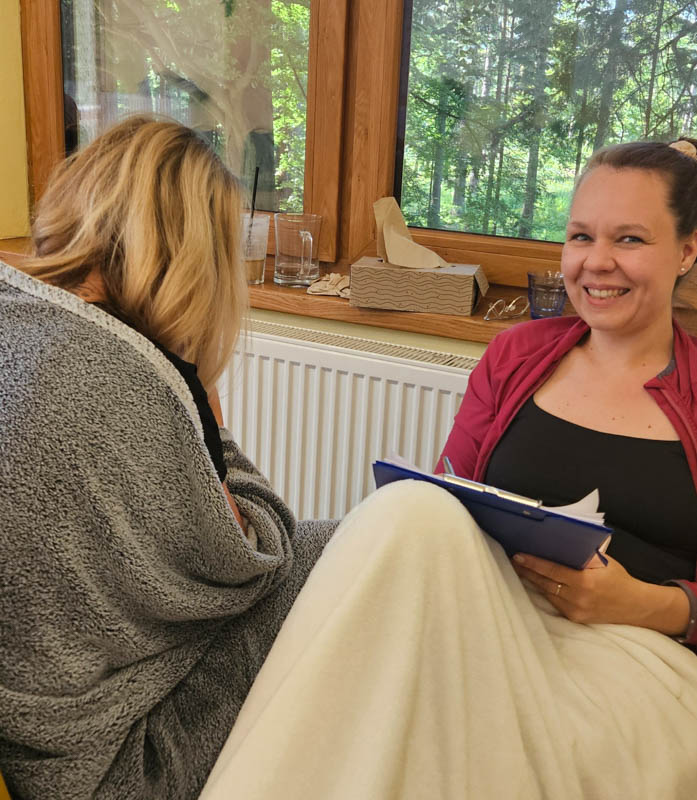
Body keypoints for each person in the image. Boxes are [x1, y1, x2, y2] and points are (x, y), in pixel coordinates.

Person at [197, 139, 697, 800]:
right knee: (412, 509)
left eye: (629, 238)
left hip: (637, 649)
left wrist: (650, 604)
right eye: (581, 236)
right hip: (490, 613)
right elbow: (446, 499)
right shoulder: (515, 356)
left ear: (686, 251)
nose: (596, 262)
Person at [0, 116, 337, 798]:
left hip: (31, 718)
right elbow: (250, 562)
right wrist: (207, 410)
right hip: (98, 766)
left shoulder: (18, 310)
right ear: (192, 248)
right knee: (346, 555)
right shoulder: (129, 376)